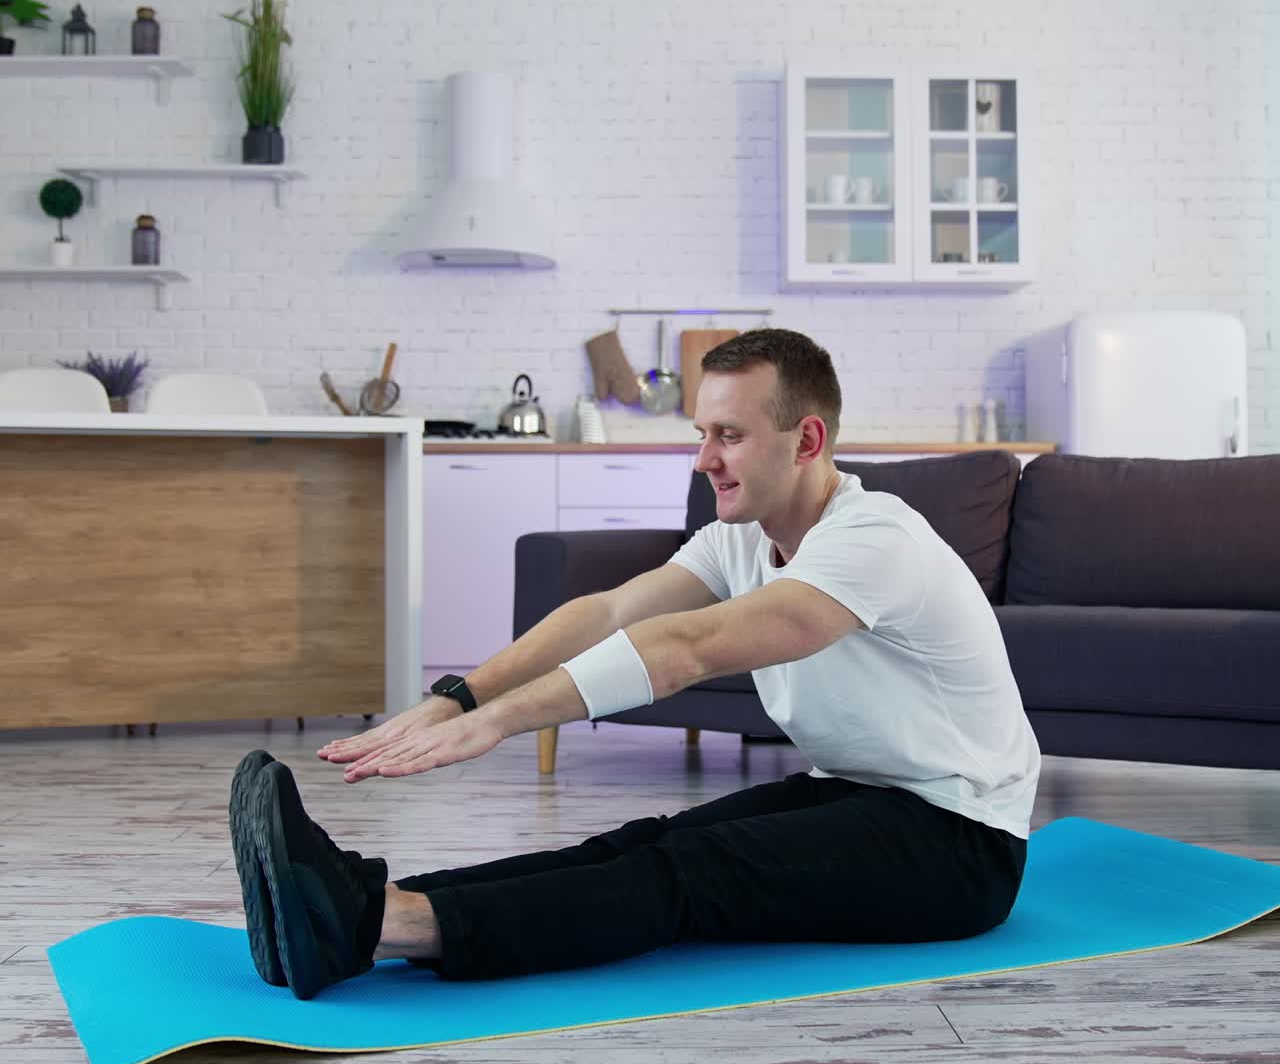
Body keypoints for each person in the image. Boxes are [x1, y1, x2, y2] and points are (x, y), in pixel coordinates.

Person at [230, 328, 1040, 1001]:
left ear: (808, 440)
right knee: (641, 842)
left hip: (958, 843)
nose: (703, 460)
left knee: (686, 875)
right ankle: (366, 903)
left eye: (729, 436)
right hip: (863, 794)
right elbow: (612, 612)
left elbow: (685, 648)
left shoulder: (873, 542)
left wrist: (495, 725)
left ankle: (374, 931)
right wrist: (457, 694)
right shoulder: (743, 537)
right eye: (702, 433)